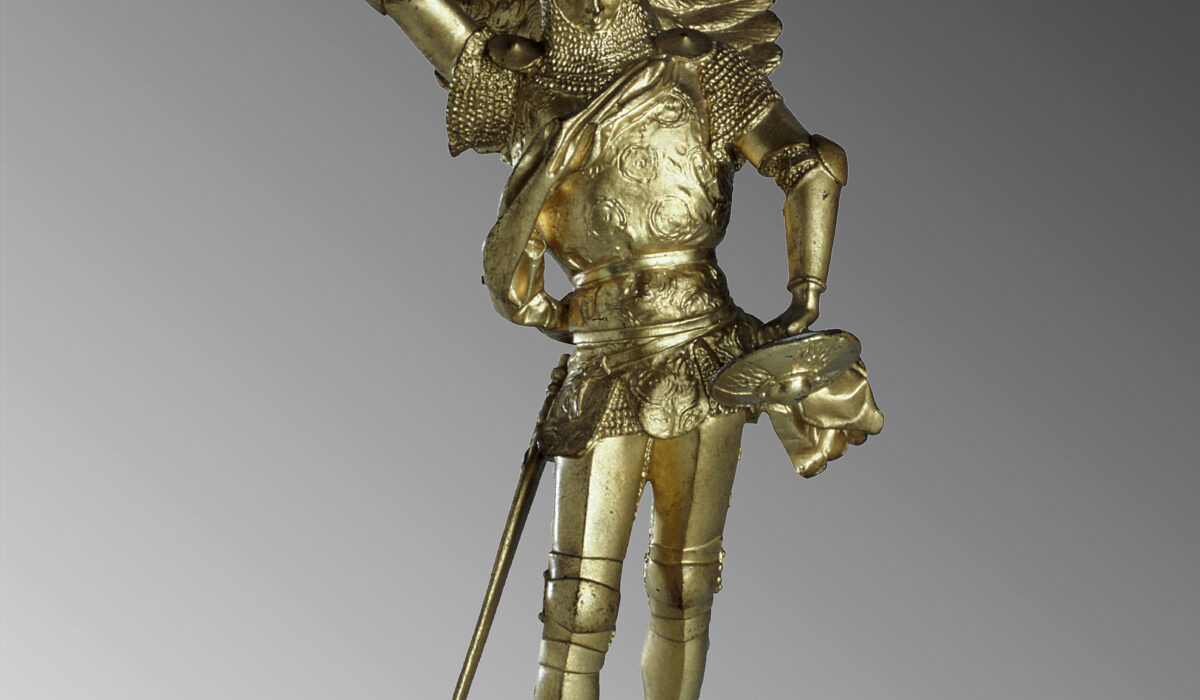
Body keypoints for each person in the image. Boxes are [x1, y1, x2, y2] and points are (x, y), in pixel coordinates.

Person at [363, 1, 882, 698]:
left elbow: (809, 164)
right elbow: (509, 281)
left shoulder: (701, 63)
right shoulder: (523, 80)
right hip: (603, 359)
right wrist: (548, 170)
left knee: (684, 585)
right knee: (577, 606)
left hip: (703, 347)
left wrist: (806, 291)